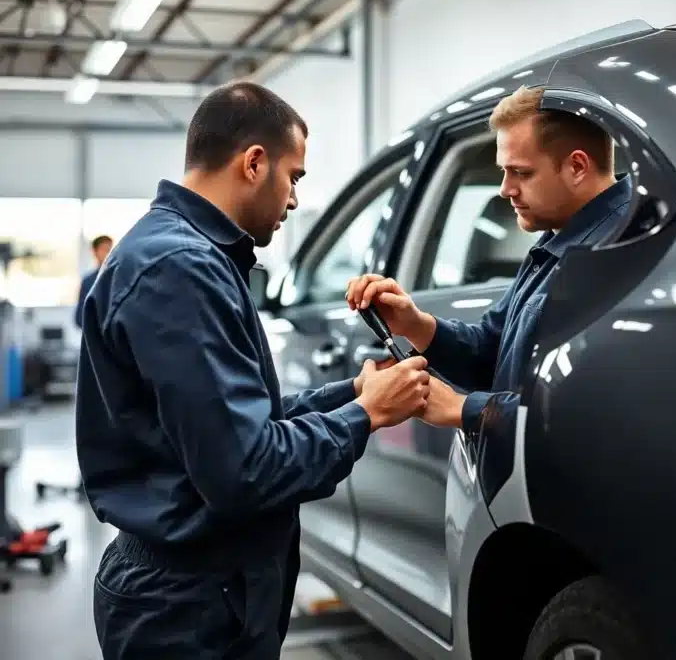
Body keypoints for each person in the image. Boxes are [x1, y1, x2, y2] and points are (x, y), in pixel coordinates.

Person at [75, 82, 430, 659]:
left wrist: (355, 392)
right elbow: (243, 469)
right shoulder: (181, 269)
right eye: (294, 178)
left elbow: (242, 422)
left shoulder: (190, 255)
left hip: (201, 590)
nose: (292, 200)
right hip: (185, 607)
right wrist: (366, 415)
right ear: (254, 163)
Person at [347, 84, 633, 433]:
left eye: (521, 172)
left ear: (576, 167)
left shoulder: (618, 250)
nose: (505, 188)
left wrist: (462, 408)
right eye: (504, 171)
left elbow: (588, 409)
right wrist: (414, 323)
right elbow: (491, 351)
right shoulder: (557, 242)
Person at [74, 234, 113, 329]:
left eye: (111, 249)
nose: (109, 253)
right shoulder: (88, 281)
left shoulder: (119, 278)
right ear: (94, 252)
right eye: (104, 249)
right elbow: (79, 318)